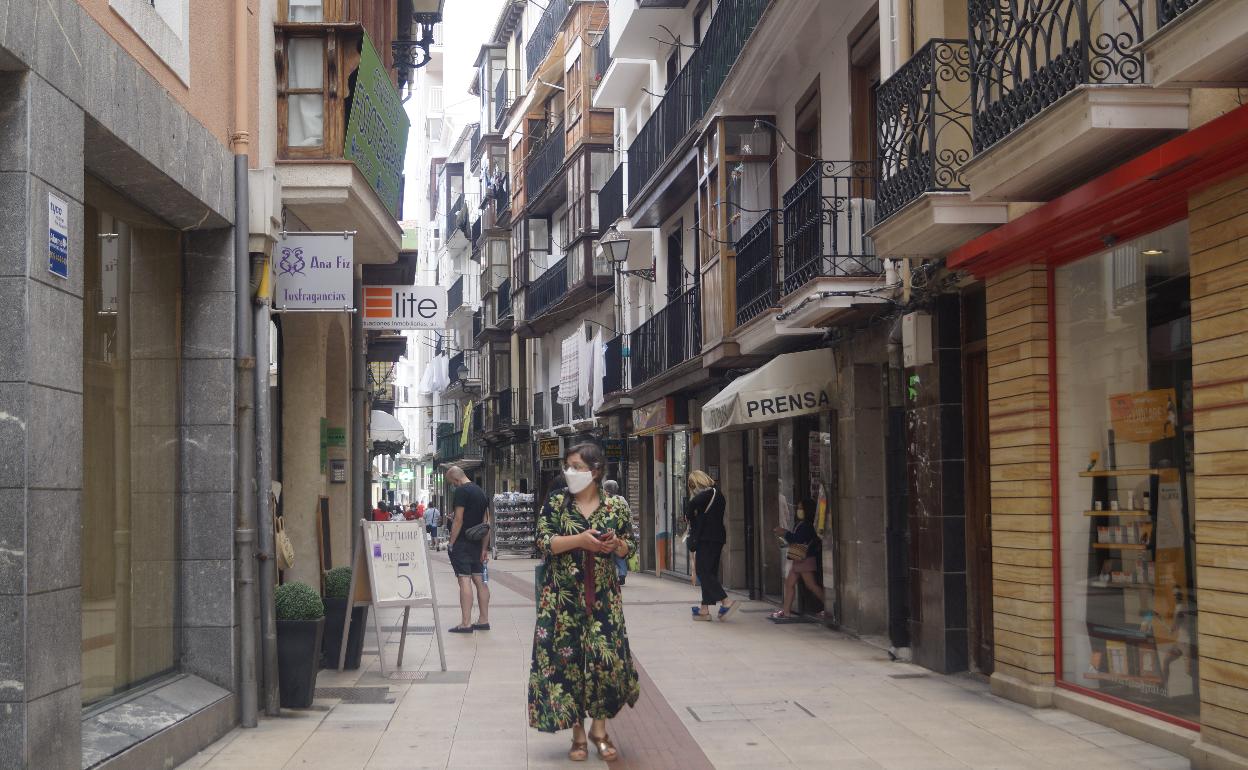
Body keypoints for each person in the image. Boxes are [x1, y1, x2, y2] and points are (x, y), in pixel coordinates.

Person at [529, 443, 639, 762]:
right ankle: (578, 735)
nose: (570, 472)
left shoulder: (616, 505)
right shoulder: (557, 502)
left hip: (603, 597)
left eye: (576, 466)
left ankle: (600, 731)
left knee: (605, 663)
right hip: (561, 599)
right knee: (569, 664)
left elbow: (630, 547)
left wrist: (616, 545)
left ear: (595, 470)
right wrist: (580, 540)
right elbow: (542, 540)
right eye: (568, 466)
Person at [686, 471, 738, 621]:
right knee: (709, 572)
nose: (692, 488)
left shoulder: (709, 493)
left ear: (697, 482)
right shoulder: (717, 494)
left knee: (703, 572)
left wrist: (688, 514)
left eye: (692, 485)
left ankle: (726, 601)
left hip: (706, 539)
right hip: (716, 538)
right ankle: (704, 609)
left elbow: (692, 504)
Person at [446, 466, 491, 633]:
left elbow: (458, 520)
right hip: (477, 543)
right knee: (480, 581)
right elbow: (486, 523)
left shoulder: (461, 492)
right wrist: (484, 548)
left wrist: (451, 542)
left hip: (463, 543)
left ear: (456, 480)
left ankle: (466, 623)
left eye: (452, 483)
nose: (453, 486)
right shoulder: (481, 492)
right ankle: (483, 620)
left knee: (464, 580)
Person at [770, 498, 827, 620]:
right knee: (789, 584)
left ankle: (828, 607)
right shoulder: (801, 524)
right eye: (798, 507)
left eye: (801, 508)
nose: (798, 510)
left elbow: (798, 540)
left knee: (811, 585)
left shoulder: (807, 525)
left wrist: (784, 533)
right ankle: (786, 612)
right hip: (798, 558)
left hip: (804, 560)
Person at [603, 479, 629, 586]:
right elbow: (627, 514)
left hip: (607, 531)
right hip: (619, 531)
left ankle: (610, 574)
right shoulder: (622, 499)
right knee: (619, 553)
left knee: (608, 553)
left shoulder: (603, 500)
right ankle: (622, 573)